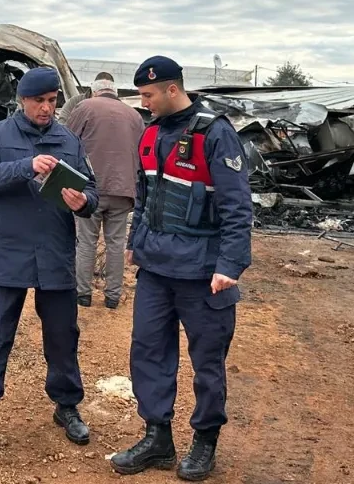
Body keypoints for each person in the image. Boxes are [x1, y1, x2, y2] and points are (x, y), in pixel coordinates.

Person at [109, 56, 252, 482]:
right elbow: (145, 193)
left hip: (204, 272)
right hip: (155, 269)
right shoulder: (150, 133)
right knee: (149, 352)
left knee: (207, 360)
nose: (144, 101)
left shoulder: (216, 133)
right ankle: (158, 438)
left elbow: (236, 206)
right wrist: (135, 243)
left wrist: (230, 264)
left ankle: (205, 441)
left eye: (149, 95)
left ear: (173, 89)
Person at [0, 66, 100, 462]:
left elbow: (92, 190)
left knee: (62, 337)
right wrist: (26, 166)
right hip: (7, 253)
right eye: (40, 101)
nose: (47, 108)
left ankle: (66, 406)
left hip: (54, 253)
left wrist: (83, 202)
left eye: (53, 101)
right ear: (23, 100)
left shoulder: (68, 140)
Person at [65, 75, 145, 309]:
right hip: (124, 190)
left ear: (94, 91)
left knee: (86, 242)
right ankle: (112, 296)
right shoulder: (134, 115)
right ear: (115, 92)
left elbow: (67, 140)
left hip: (91, 191)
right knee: (116, 244)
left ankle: (83, 294)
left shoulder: (85, 107)